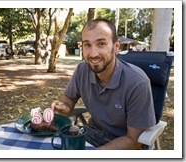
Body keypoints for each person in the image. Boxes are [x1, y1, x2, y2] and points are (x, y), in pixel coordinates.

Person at [51, 18, 156, 150]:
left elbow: (134, 140)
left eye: (101, 44)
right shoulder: (82, 70)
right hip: (92, 134)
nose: (93, 54)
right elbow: (69, 97)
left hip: (126, 144)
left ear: (116, 46)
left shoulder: (137, 82)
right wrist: (64, 106)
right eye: (87, 45)